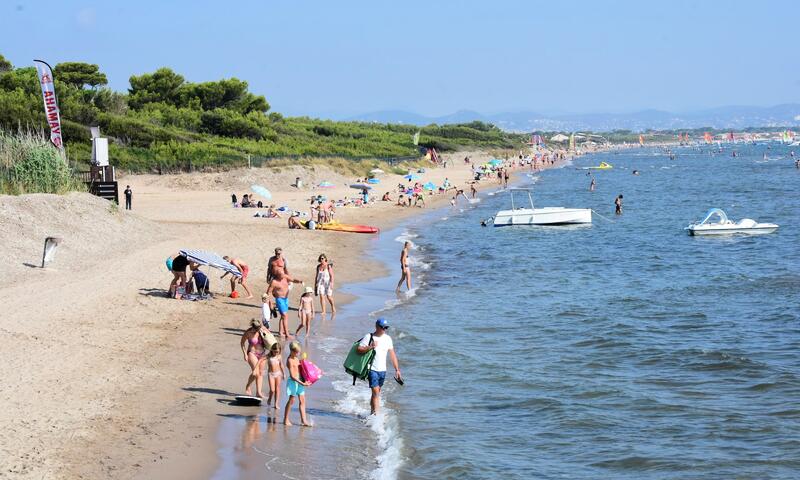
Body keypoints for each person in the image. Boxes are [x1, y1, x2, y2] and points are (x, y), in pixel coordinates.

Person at [357, 318, 401, 415]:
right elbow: (359, 349)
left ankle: (371, 413)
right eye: (382, 327)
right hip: (371, 369)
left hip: (383, 371)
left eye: (386, 328)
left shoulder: (388, 338)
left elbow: (392, 354)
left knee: (376, 394)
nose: (384, 329)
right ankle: (376, 418)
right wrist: (370, 347)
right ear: (376, 326)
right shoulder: (369, 337)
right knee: (376, 393)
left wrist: (397, 370)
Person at [266, 270, 304, 339]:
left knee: (283, 316)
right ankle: (287, 334)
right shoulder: (274, 282)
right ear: (277, 275)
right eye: (281, 275)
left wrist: (299, 281)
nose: (283, 276)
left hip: (286, 299)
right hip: (279, 299)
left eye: (283, 275)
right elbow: (268, 292)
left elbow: (292, 279)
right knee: (285, 316)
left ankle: (280, 332)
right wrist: (270, 303)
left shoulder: (285, 277)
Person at [283, 342, 312, 426]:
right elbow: (292, 376)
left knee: (302, 400)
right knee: (291, 400)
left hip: (300, 381)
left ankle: (304, 420)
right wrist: (302, 383)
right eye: (296, 352)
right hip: (293, 382)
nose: (298, 353)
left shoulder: (296, 359)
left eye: (298, 352)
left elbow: (302, 369)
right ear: (291, 351)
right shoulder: (289, 361)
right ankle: (286, 419)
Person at [240, 318, 269, 398]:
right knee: (255, 372)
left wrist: (265, 331)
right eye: (256, 329)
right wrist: (245, 354)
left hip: (262, 354)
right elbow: (242, 343)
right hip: (252, 353)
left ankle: (258, 393)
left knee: (260, 373)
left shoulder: (262, 329)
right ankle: (248, 385)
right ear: (252, 327)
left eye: (258, 329)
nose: (257, 331)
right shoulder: (248, 332)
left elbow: (270, 338)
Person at [265, 342, 285, 410]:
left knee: (277, 389)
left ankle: (276, 404)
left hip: (278, 373)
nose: (276, 353)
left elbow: (281, 365)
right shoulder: (269, 356)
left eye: (277, 352)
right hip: (271, 374)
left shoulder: (279, 356)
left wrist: (284, 373)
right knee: (272, 390)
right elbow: (261, 360)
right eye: (275, 351)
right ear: (272, 350)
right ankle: (269, 399)